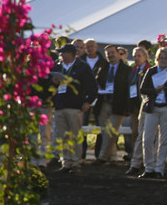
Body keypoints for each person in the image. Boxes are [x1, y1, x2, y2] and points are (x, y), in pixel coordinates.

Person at [50, 43, 97, 173]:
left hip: (75, 106)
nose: (60, 55)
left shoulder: (82, 67)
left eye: (62, 53)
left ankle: (76, 162)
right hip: (60, 105)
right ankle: (66, 162)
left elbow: (92, 86)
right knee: (63, 136)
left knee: (75, 135)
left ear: (70, 54)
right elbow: (51, 87)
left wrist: (88, 101)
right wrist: (54, 83)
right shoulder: (57, 67)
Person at [138, 48, 167, 178]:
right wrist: (155, 90)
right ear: (157, 59)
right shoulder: (151, 71)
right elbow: (142, 89)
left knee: (163, 140)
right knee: (147, 139)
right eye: (161, 58)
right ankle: (149, 168)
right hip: (153, 108)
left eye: (166, 58)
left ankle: (160, 169)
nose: (164, 60)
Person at [92, 45, 131, 165]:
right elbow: (97, 81)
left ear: (118, 54)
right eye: (108, 53)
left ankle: (102, 157)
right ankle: (113, 157)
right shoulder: (103, 67)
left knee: (111, 131)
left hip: (118, 104)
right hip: (104, 103)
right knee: (105, 132)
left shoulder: (126, 69)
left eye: (112, 53)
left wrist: (127, 107)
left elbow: (128, 89)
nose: (110, 55)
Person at [79, 39, 108, 160]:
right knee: (82, 125)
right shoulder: (80, 61)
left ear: (96, 47)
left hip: (99, 97)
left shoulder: (104, 62)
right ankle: (82, 152)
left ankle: (98, 153)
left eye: (92, 46)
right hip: (84, 97)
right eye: (88, 47)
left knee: (100, 125)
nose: (90, 48)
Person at [125, 46, 151, 176]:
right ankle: (137, 159)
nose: (136, 58)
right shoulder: (133, 70)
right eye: (134, 56)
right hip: (134, 107)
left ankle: (144, 161)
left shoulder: (150, 70)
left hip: (147, 107)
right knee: (135, 133)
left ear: (145, 57)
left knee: (145, 135)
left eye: (139, 56)